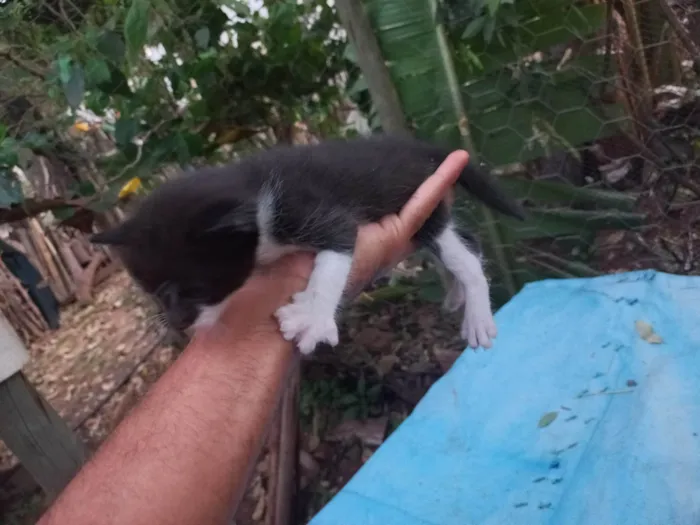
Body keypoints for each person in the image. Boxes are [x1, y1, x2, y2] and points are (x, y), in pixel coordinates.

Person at [38, 150, 470, 525]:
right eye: (161, 297)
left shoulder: (269, 210)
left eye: (180, 295)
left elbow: (328, 236)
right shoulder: (246, 216)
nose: (173, 317)